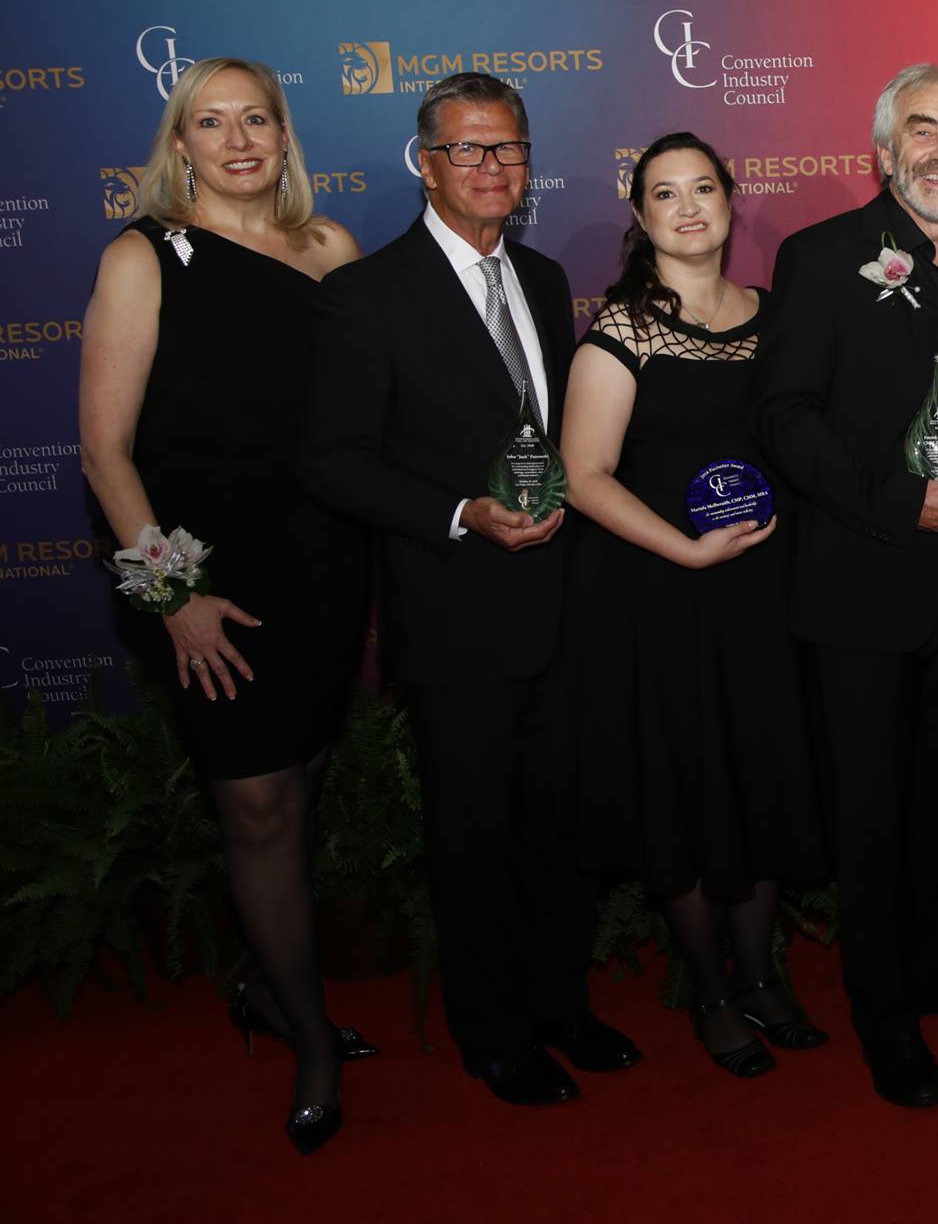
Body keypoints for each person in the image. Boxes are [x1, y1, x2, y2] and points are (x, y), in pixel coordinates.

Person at [304, 72, 640, 1108]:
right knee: (473, 836)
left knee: (558, 825)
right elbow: (334, 460)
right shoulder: (367, 293)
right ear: (427, 164)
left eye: (510, 149)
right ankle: (492, 1033)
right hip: (453, 612)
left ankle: (560, 1004)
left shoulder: (542, 277)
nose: (493, 167)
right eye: (469, 149)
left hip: (559, 606)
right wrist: (461, 512)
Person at [78, 56, 373, 1155]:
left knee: (299, 785)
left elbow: (364, 417)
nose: (239, 139)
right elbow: (104, 454)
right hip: (205, 577)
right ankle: (311, 1039)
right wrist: (176, 598)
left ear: (285, 135)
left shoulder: (331, 248)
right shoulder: (141, 255)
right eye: (212, 122)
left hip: (323, 565)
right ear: (181, 145)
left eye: (258, 119)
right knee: (254, 807)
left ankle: (261, 982)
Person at [755, 61, 938, 1110]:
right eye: (922, 129)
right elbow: (785, 416)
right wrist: (895, 502)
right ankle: (883, 1012)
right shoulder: (820, 256)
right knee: (871, 811)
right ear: (883, 149)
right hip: (856, 586)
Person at [557, 133, 826, 1078]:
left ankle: (760, 974)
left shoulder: (776, 317)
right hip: (662, 594)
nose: (687, 207)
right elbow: (583, 475)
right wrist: (687, 550)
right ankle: (710, 992)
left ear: (730, 199)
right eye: (664, 193)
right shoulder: (622, 332)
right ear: (640, 215)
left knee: (761, 777)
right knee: (685, 785)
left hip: (763, 595)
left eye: (702, 187)